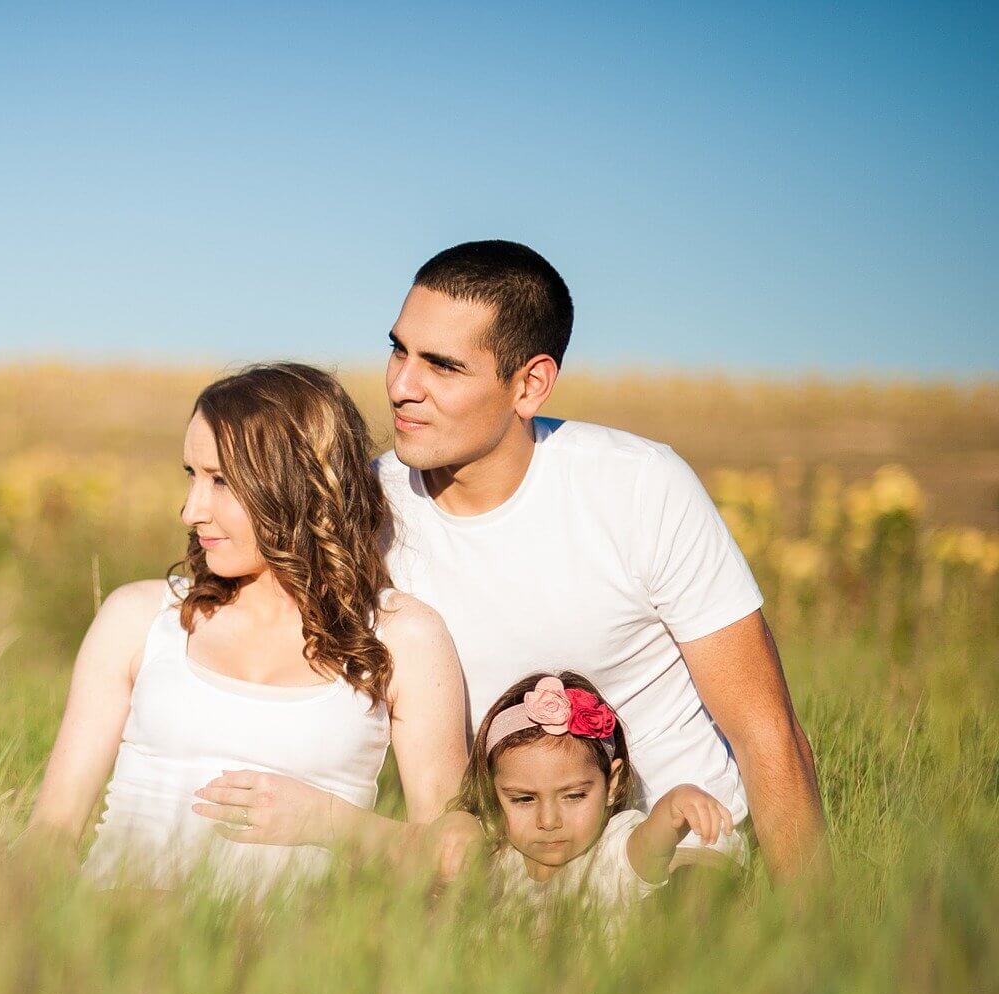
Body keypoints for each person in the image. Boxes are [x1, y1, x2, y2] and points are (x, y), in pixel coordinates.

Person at [244, 241, 825, 880]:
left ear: (529, 384)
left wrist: (812, 937)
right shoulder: (364, 508)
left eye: (442, 366)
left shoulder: (640, 487)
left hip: (675, 861)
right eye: (398, 350)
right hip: (499, 867)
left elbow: (765, 731)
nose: (402, 386)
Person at [24, 363, 468, 897]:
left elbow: (456, 857)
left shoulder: (402, 636)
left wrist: (332, 823)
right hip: (116, 946)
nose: (191, 510)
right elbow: (49, 834)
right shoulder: (139, 619)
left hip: (294, 967)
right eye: (191, 474)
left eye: (221, 481)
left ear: (300, 483)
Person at [453, 671, 737, 912]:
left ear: (612, 784)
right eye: (524, 799)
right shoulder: (494, 856)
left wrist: (676, 805)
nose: (549, 821)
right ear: (492, 793)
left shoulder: (612, 853)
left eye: (574, 796)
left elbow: (651, 844)